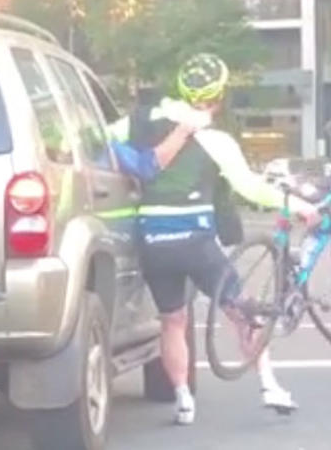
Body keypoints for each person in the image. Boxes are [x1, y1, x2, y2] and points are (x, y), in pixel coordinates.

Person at [110, 53, 318, 425]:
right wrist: (298, 204)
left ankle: (183, 400)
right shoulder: (215, 140)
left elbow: (98, 138)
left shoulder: (138, 123)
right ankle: (269, 384)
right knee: (243, 313)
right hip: (196, 241)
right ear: (218, 96)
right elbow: (251, 188)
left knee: (172, 321)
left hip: (152, 239)